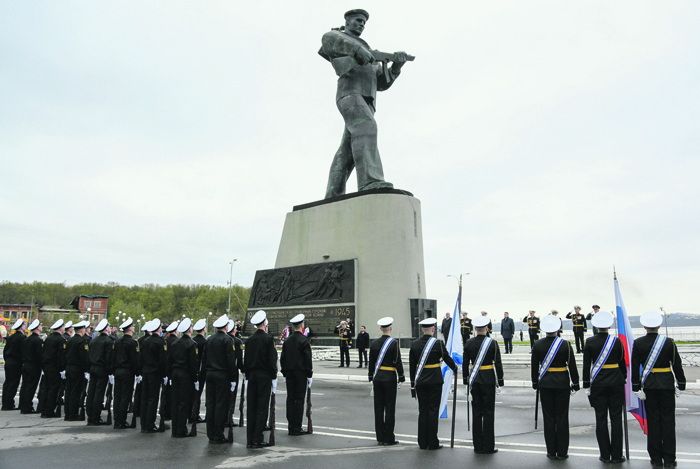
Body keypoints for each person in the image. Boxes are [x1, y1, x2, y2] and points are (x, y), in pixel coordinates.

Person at [319, 9, 408, 198]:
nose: (361, 24)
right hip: (349, 95)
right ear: (348, 21)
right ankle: (370, 181)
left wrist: (396, 67)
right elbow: (327, 40)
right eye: (358, 21)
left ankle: (333, 194)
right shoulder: (338, 37)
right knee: (366, 128)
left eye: (364, 23)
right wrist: (357, 50)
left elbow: (381, 83)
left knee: (346, 153)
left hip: (367, 101)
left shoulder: (369, 53)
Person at [632, 311, 687, 468]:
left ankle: (655, 458)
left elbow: (635, 366)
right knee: (668, 421)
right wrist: (681, 384)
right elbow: (677, 364)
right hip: (666, 384)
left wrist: (636, 387)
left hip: (649, 386)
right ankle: (669, 458)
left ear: (644, 327)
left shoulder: (638, 343)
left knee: (653, 421)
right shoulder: (669, 342)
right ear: (659, 325)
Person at [531, 315, 579, 460]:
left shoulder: (537, 345)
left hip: (545, 384)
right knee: (562, 417)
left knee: (549, 418)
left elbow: (534, 367)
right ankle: (562, 452)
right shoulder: (565, 344)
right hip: (562, 383)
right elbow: (572, 366)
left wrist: (535, 383)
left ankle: (551, 451)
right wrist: (575, 383)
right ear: (558, 329)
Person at [582, 311, 626, 464]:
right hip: (616, 381)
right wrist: (624, 378)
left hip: (598, 383)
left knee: (600, 419)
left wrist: (586, 384)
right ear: (609, 326)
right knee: (616, 419)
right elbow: (622, 362)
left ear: (595, 326)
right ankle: (617, 455)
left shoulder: (590, 342)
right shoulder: (617, 342)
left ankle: (605, 455)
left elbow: (587, 364)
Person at [409, 317, 456, 450]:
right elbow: (447, 359)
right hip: (435, 381)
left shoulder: (415, 344)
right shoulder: (438, 344)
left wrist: (413, 383)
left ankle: (422, 442)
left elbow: (413, 366)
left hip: (420, 381)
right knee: (433, 411)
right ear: (433, 329)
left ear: (422, 329)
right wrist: (455, 368)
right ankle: (433, 442)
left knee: (422, 410)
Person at [463, 315, 504, 454]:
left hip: (474, 380)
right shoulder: (493, 343)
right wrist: (501, 380)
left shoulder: (468, 343)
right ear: (487, 329)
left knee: (476, 412)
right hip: (488, 379)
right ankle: (488, 446)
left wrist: (465, 379)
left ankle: (477, 446)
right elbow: (498, 363)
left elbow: (465, 363)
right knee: (488, 413)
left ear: (475, 329)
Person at [368, 316, 405, 446]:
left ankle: (380, 437)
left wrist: (370, 376)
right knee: (390, 408)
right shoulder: (394, 343)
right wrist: (401, 376)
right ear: (390, 328)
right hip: (389, 377)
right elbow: (397, 361)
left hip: (378, 378)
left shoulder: (374, 343)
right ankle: (389, 437)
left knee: (378, 408)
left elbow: (371, 362)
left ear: (380, 328)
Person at [244, 310, 277, 448]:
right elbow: (272, 360)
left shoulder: (249, 340)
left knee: (251, 407)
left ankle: (250, 438)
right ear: (264, 323)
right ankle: (257, 438)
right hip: (264, 376)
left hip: (251, 376)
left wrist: (247, 376)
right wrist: (274, 377)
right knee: (262, 407)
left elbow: (246, 360)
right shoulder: (268, 339)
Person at [202, 315, 237, 444]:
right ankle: (218, 434)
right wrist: (233, 378)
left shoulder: (209, 339)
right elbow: (230, 361)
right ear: (226, 327)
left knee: (210, 404)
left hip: (210, 373)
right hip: (222, 375)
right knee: (220, 405)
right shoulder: (228, 340)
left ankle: (210, 433)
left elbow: (204, 359)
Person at [280, 314, 313, 436]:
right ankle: (297, 427)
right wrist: (309, 374)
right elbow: (307, 359)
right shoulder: (304, 341)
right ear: (302, 325)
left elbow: (282, 358)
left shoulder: (287, 341)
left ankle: (291, 426)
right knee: (299, 400)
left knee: (290, 398)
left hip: (289, 373)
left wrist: (284, 372)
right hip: (300, 373)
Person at [169, 318, 198, 438]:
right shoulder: (191, 344)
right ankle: (181, 429)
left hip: (175, 373)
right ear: (190, 329)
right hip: (185, 375)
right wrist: (195, 378)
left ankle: (175, 429)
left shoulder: (174, 343)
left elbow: (169, 360)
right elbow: (193, 364)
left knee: (175, 402)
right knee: (183, 403)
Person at [139, 319, 166, 433]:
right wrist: (164, 374)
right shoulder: (160, 342)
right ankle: (150, 424)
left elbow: (140, 357)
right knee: (152, 399)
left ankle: (143, 424)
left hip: (145, 372)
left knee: (144, 398)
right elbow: (162, 360)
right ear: (159, 329)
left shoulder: (145, 341)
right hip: (155, 374)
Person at [112, 317, 139, 429]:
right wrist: (138, 372)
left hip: (117, 370)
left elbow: (113, 358)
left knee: (117, 395)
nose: (133, 328)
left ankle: (116, 418)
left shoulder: (117, 342)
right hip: (127, 371)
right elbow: (134, 360)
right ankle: (121, 420)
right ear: (130, 329)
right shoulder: (132, 343)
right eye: (132, 326)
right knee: (125, 396)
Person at [86, 319, 113, 425]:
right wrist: (110, 372)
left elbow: (88, 356)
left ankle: (90, 415)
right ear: (106, 328)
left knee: (91, 392)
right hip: (102, 370)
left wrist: (88, 369)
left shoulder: (94, 340)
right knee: (99, 393)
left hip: (93, 368)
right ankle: (95, 417)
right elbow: (108, 359)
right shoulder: (108, 341)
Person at [39, 319, 67, 417]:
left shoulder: (48, 338)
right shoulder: (60, 340)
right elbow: (60, 356)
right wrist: (61, 369)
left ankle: (43, 408)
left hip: (46, 366)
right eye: (63, 327)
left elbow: (43, 353)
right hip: (55, 367)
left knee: (46, 388)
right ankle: (49, 410)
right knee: (53, 389)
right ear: (60, 328)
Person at [64, 320, 89, 421]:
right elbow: (84, 357)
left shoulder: (69, 340)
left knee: (68, 391)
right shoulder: (81, 342)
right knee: (75, 392)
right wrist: (86, 369)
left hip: (69, 367)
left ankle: (67, 413)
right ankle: (73, 414)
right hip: (77, 369)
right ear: (82, 330)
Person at [2, 319, 26, 411]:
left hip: (8, 361)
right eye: (24, 325)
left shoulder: (11, 337)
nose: (25, 326)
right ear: (21, 327)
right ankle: (9, 404)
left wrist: (7, 359)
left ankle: (5, 403)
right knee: (13, 383)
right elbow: (23, 352)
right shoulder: (22, 338)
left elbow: (5, 350)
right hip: (16, 362)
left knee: (7, 383)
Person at [19, 319, 43, 414]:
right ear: (37, 328)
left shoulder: (26, 339)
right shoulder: (37, 340)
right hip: (34, 366)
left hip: (26, 364)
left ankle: (23, 405)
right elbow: (39, 355)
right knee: (31, 387)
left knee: (25, 386)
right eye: (40, 325)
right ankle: (27, 407)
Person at [191, 318, 207, 424]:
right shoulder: (204, 342)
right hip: (201, 371)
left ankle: (191, 413)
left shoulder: (192, 340)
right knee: (197, 394)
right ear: (204, 329)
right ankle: (195, 414)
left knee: (191, 394)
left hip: (191, 371)